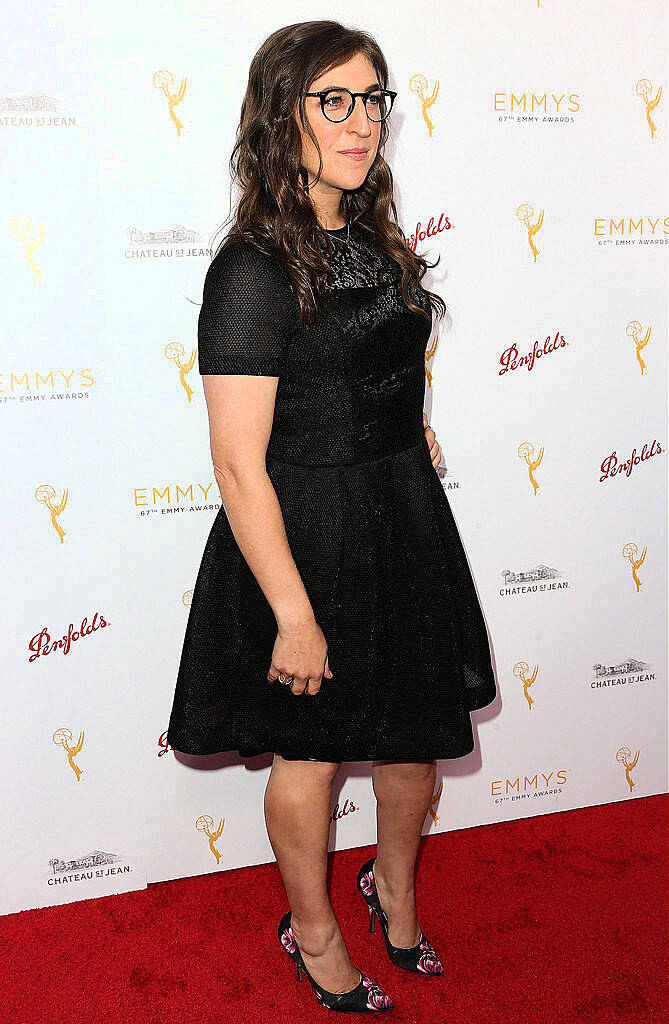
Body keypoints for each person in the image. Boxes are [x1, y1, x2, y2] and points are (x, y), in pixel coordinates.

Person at [166, 19, 497, 1014]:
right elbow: (237, 460)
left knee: (411, 747)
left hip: (400, 511)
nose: (362, 124)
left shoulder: (368, 231)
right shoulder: (253, 269)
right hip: (304, 534)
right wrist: (294, 615)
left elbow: (372, 355)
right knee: (309, 754)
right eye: (335, 101)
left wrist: (408, 425)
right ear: (285, 114)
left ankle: (391, 887)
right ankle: (312, 931)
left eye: (373, 100)